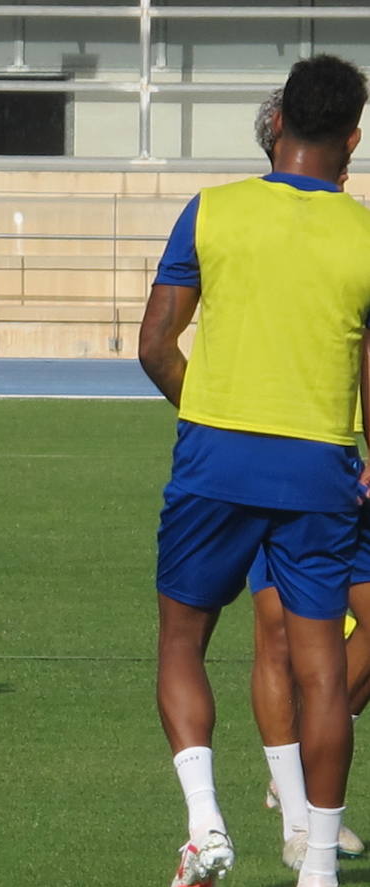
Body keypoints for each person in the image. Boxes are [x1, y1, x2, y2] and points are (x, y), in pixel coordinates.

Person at [139, 53, 370, 887]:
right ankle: (318, 867)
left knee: (181, 640)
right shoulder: (366, 234)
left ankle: (206, 826)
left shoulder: (212, 212)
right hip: (321, 467)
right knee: (322, 669)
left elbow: (155, 345)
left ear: (276, 127)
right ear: (352, 139)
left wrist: (213, 408)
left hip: (215, 455)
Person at [246, 88, 366, 868]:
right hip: (267, 459)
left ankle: (304, 781)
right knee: (279, 631)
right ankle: (299, 814)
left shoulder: (351, 232)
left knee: (320, 655)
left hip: (343, 461)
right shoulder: (240, 221)